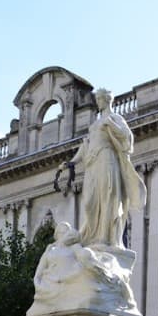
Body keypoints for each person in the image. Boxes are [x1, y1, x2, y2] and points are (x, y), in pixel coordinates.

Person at [62, 88, 146, 249]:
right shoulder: (94, 125)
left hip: (107, 160)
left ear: (106, 100)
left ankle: (104, 237)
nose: (97, 102)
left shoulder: (114, 118)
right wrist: (71, 162)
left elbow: (127, 137)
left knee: (108, 196)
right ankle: (92, 237)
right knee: (89, 202)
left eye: (99, 99)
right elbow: (86, 146)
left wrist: (111, 125)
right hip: (92, 164)